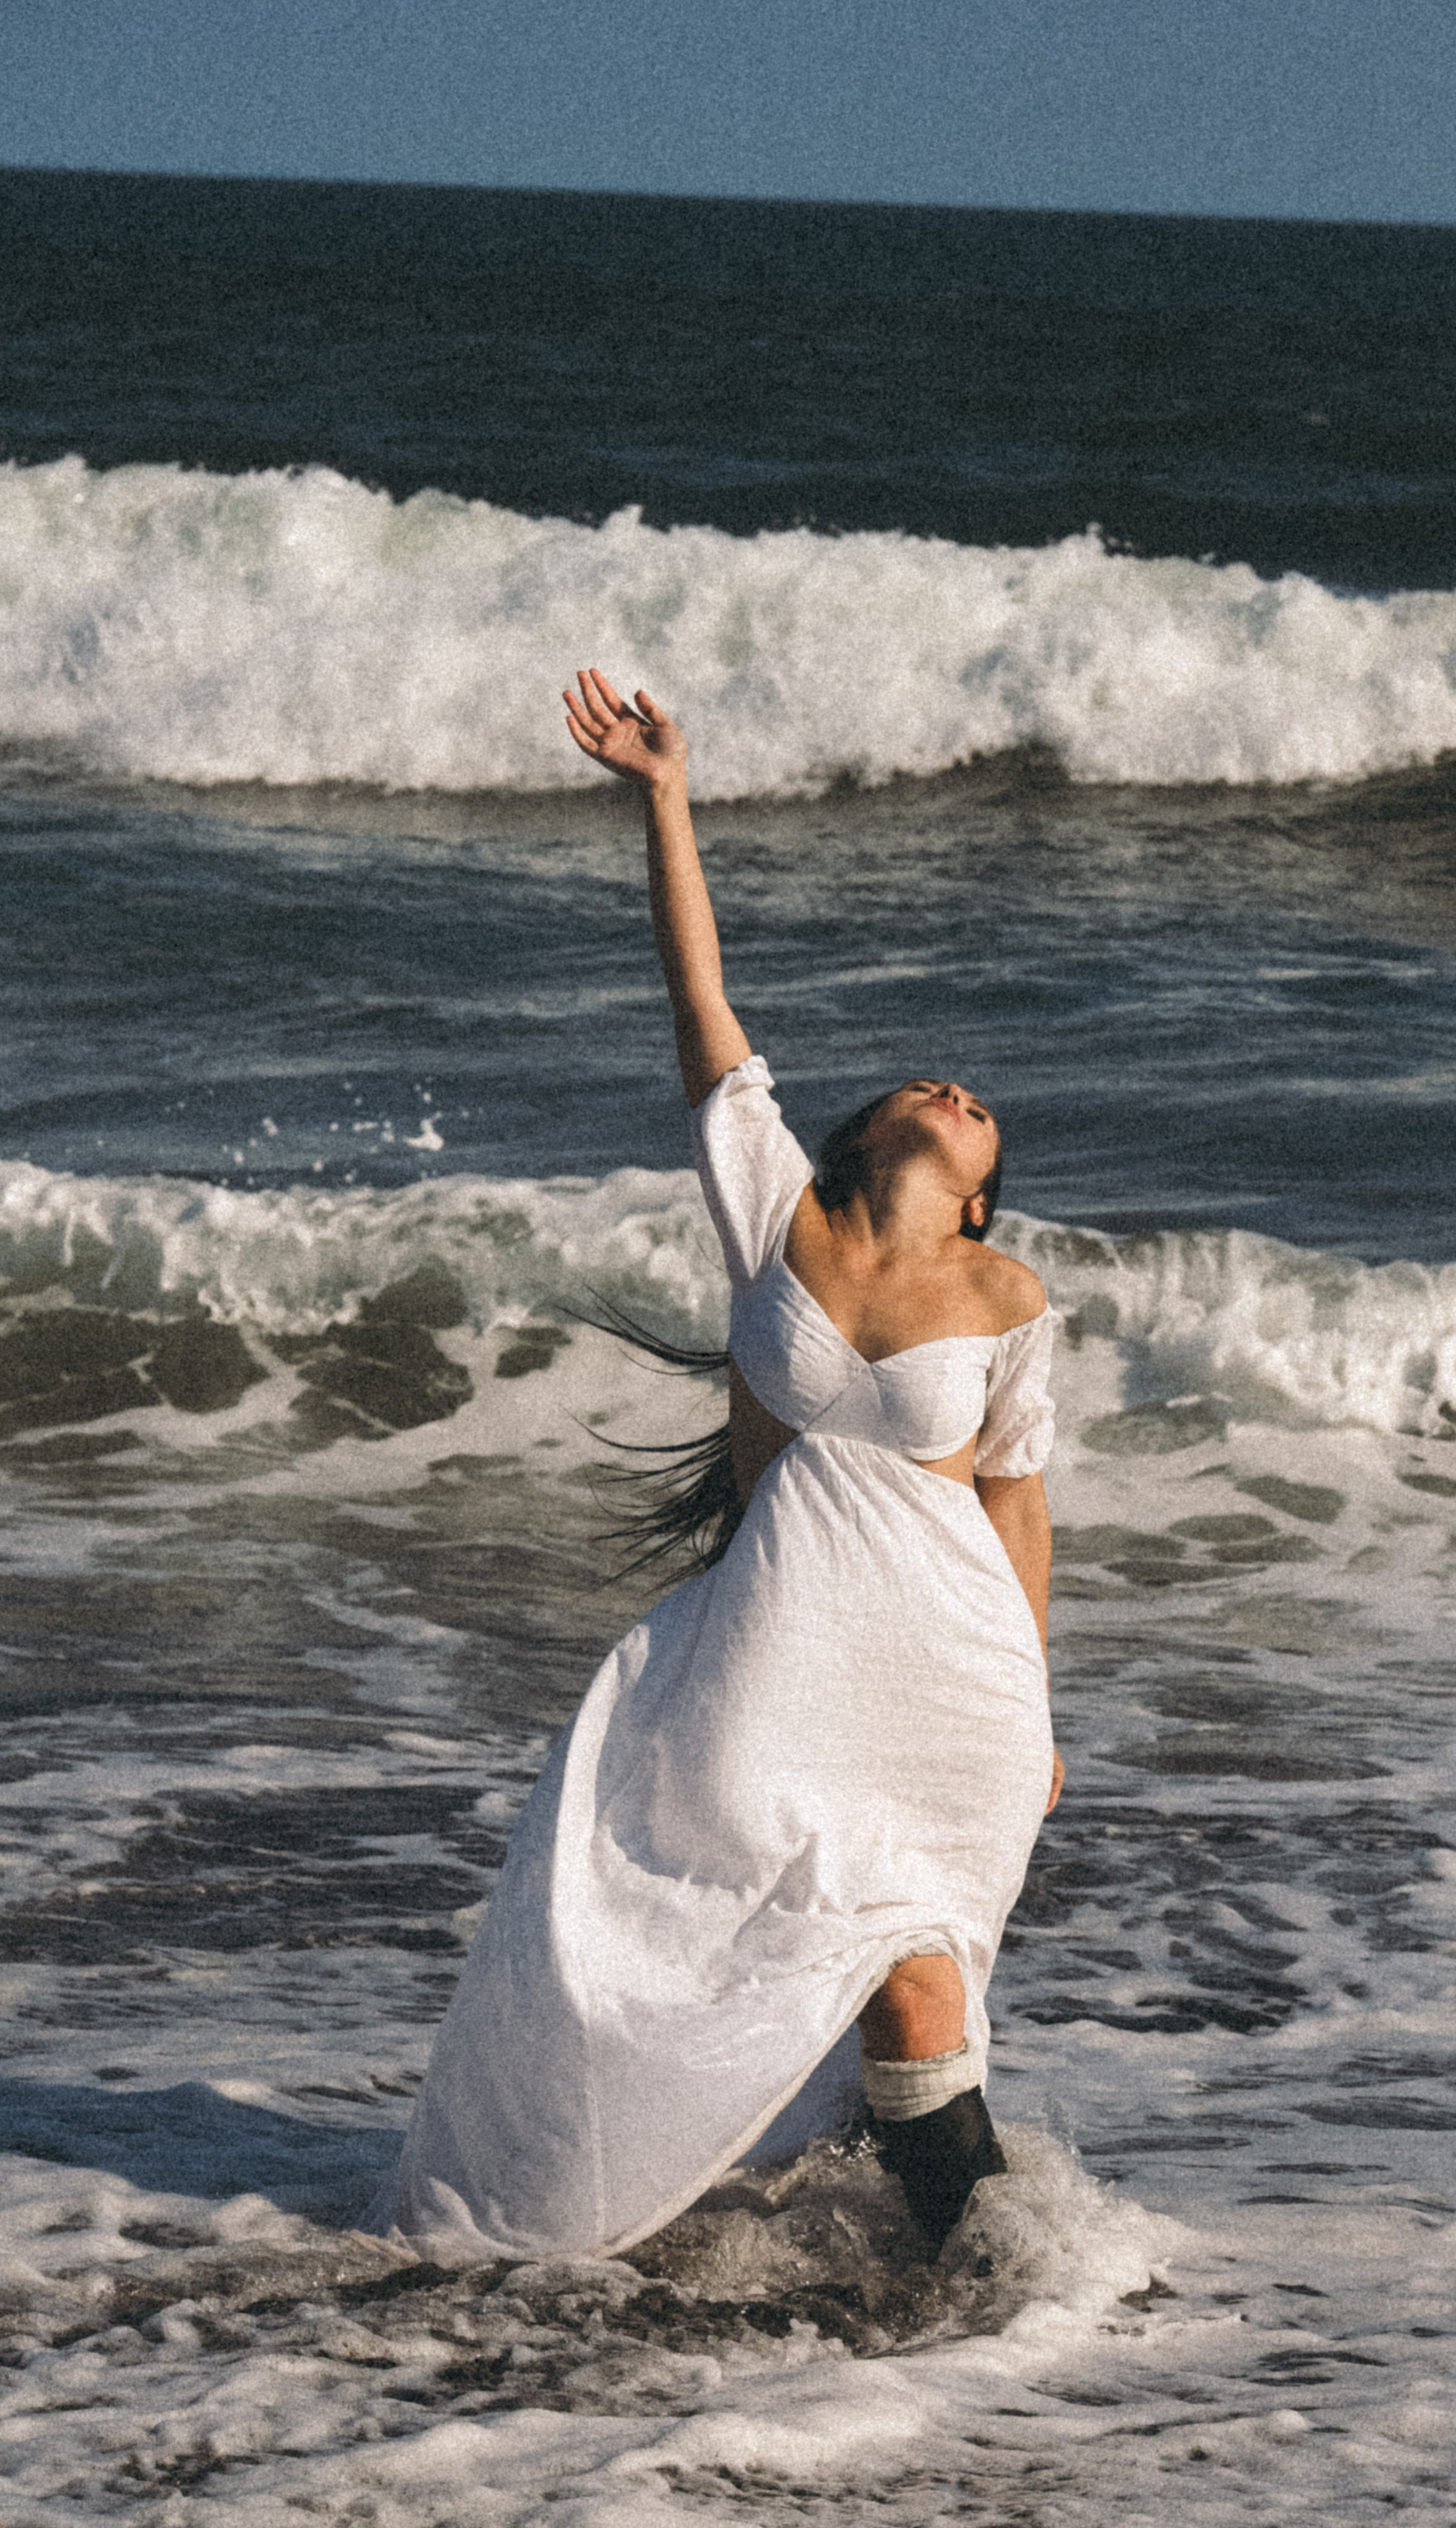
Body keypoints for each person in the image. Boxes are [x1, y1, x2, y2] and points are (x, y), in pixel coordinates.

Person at [376, 670, 1063, 2264]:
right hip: (770, 1666)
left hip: (952, 1681)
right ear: (868, 1132)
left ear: (978, 1204)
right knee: (719, 1945)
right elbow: (701, 1019)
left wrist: (1038, 1707)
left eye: (981, 1121)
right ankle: (644, 2203)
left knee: (914, 1972)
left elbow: (1012, 1501)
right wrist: (664, 797)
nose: (955, 1096)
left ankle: (982, 2270)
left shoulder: (1012, 1304)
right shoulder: (780, 1217)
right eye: (930, 1087)